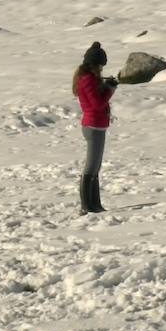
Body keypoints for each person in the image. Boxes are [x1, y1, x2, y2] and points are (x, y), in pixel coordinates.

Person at [72, 42, 119, 214]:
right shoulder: (88, 80)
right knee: (91, 167)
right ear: (95, 64)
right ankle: (87, 205)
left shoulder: (89, 79)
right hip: (93, 126)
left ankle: (95, 204)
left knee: (96, 167)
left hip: (97, 125)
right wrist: (110, 89)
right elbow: (98, 103)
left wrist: (106, 86)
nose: (101, 69)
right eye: (100, 65)